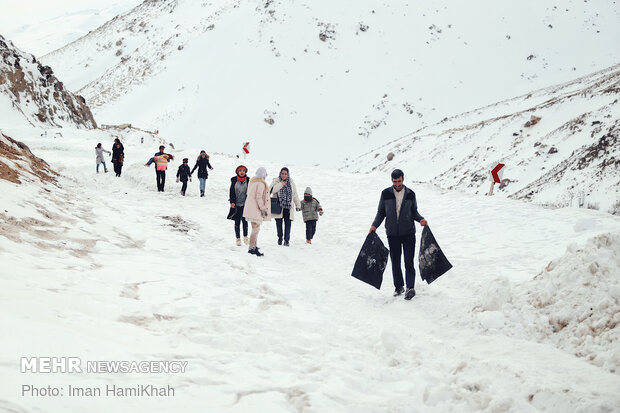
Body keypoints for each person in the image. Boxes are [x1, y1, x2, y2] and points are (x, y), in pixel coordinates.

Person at [369, 169, 428, 300]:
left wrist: (421, 220)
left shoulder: (410, 194)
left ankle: (410, 287)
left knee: (408, 261)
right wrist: (374, 225)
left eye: (399, 181)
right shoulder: (385, 194)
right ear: (392, 181)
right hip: (392, 234)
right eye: (395, 182)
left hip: (408, 233)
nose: (397, 184)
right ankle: (399, 286)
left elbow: (415, 213)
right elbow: (381, 212)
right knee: (395, 261)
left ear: (403, 179)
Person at [242, 167, 271, 256]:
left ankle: (254, 246)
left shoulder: (252, 182)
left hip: (250, 207)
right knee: (256, 229)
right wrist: (262, 208)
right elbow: (258, 197)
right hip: (255, 209)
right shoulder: (261, 183)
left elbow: (248, 194)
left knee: (255, 228)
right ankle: (252, 248)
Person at [270, 167, 301, 246]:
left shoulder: (291, 182)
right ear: (280, 173)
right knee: (279, 224)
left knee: (288, 224)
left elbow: (294, 194)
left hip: (288, 207)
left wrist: (298, 205)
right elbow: (271, 190)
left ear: (288, 174)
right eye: (282, 173)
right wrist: (281, 184)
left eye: (285, 174)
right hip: (278, 206)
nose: (284, 175)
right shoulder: (276, 181)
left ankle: (286, 240)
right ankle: (280, 238)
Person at [229, 165, 249, 246]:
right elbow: (231, 192)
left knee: (245, 221)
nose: (242, 172)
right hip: (236, 204)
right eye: (240, 170)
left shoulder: (248, 180)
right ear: (237, 172)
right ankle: (238, 238)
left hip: (245, 204)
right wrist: (232, 202)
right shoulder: (234, 180)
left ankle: (245, 237)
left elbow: (250, 192)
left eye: (243, 170)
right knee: (237, 222)